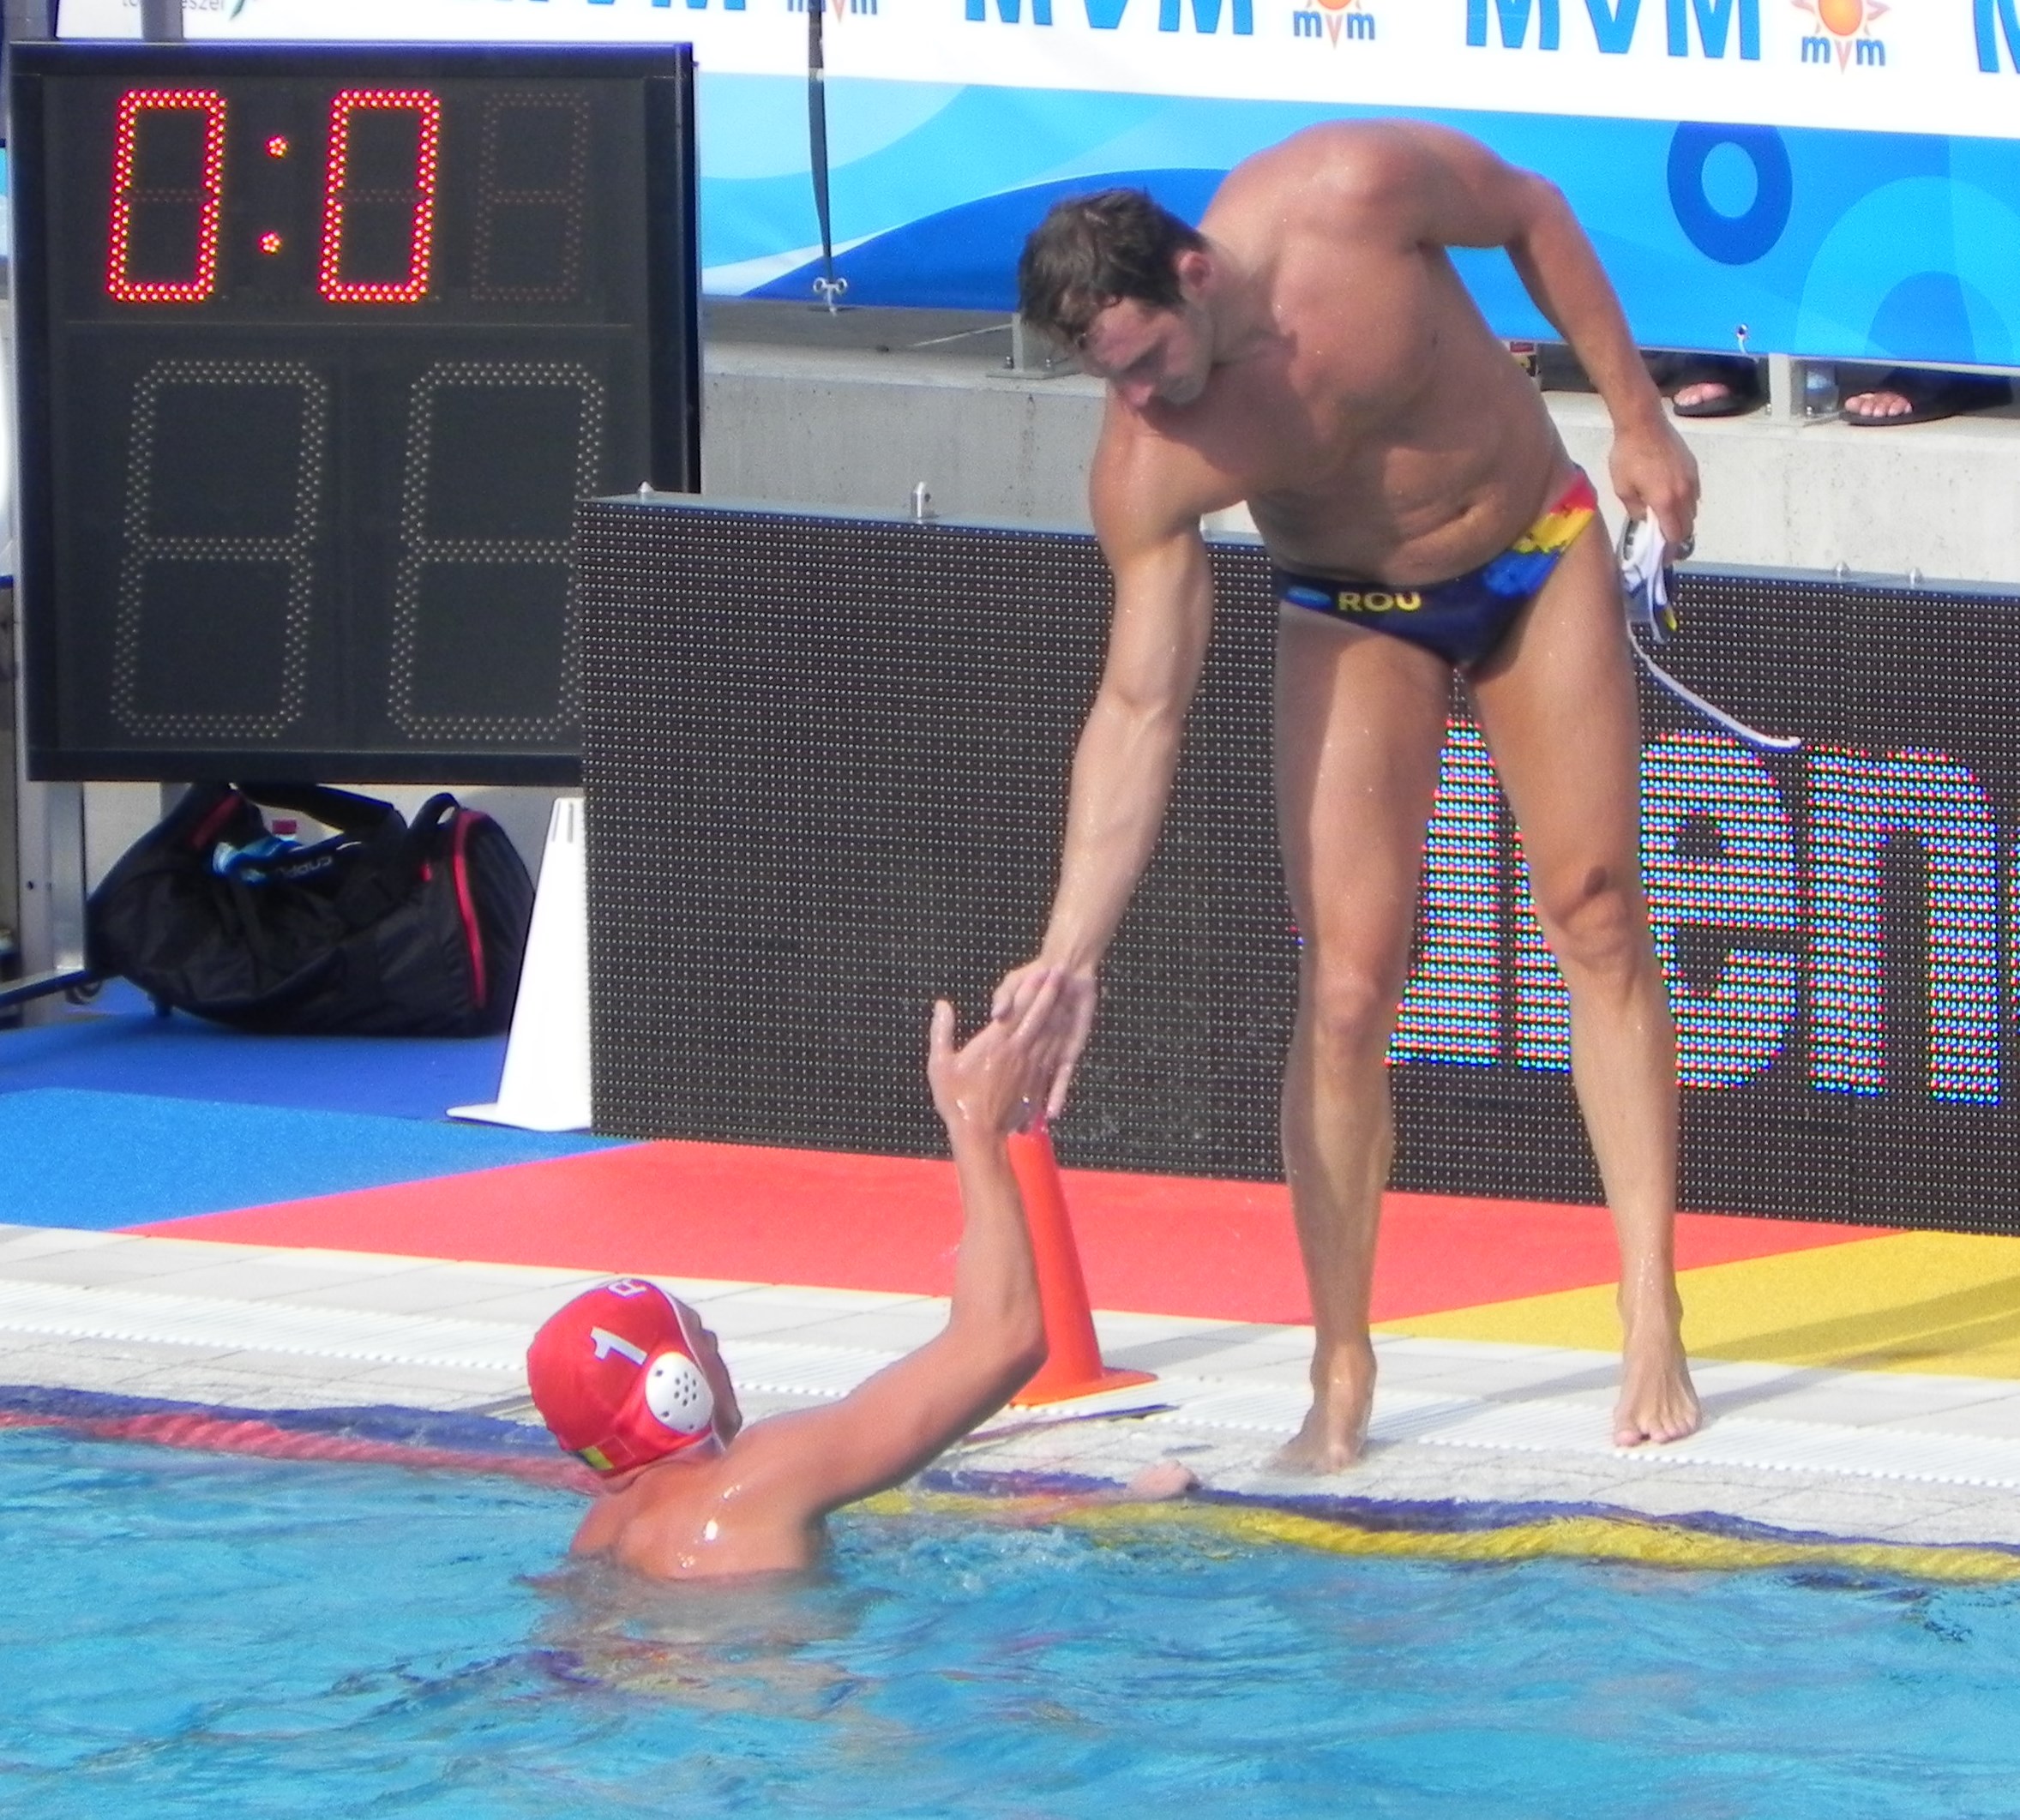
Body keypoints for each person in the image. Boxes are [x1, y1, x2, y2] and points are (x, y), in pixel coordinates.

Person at [997, 123, 1704, 1472]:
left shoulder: (1349, 192)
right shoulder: (1151, 458)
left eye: (1146, 360)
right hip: (1352, 610)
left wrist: (1636, 418)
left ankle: (1649, 1303)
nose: (1137, 398)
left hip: (1533, 549)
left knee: (1597, 910)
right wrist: (1072, 948)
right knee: (1344, 986)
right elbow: (1139, 709)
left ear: (1196, 274)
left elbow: (1534, 212)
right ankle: (1340, 1364)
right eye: (1109, 377)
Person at [526, 994, 1061, 1580]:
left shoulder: (596, 1538)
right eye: (699, 1336)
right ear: (672, 1385)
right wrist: (975, 1126)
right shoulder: (763, 1475)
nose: (715, 1346)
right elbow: (1002, 1341)